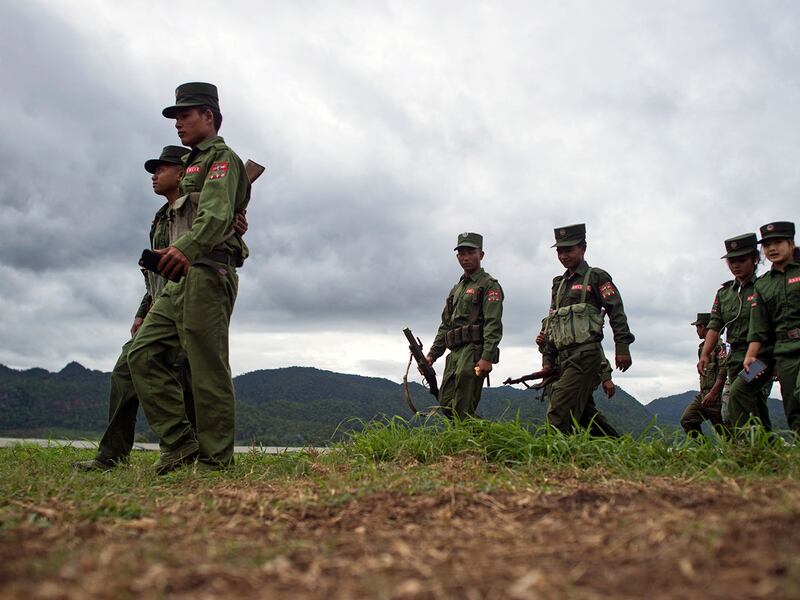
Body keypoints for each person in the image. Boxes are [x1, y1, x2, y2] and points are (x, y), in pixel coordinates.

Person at [128, 82, 251, 472]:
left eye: (185, 114)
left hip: (207, 270)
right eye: (175, 117)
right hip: (179, 277)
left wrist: (186, 248)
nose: (178, 123)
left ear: (208, 116)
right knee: (142, 353)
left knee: (207, 366)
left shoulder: (222, 159)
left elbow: (215, 217)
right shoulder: (193, 166)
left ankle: (215, 461)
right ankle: (180, 443)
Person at [539, 223, 634, 434]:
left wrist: (622, 348)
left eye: (569, 249)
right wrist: (547, 359)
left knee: (558, 409)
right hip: (563, 357)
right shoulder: (558, 284)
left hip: (585, 356)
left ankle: (553, 458)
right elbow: (552, 323)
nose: (563, 255)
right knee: (584, 414)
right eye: (559, 251)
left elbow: (616, 311)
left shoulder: (597, 277)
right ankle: (615, 448)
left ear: (583, 247)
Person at [699, 233, 773, 430]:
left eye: (742, 260)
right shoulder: (724, 294)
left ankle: (742, 445)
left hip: (761, 357)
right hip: (735, 357)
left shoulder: (764, 286)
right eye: (732, 261)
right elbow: (715, 325)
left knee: (739, 394)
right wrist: (705, 353)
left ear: (755, 259)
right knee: (754, 401)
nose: (736, 265)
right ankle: (767, 446)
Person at [425, 232, 503, 419]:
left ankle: (484, 443)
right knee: (446, 404)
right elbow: (446, 325)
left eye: (471, 252)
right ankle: (480, 438)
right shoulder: (456, 289)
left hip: (473, 352)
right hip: (455, 352)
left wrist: (487, 357)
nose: (466, 257)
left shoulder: (488, 285)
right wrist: (432, 355)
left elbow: (493, 323)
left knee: (463, 407)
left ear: (481, 255)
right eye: (461, 253)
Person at [744, 221, 800, 432]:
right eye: (767, 245)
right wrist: (751, 356)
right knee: (792, 405)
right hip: (782, 351)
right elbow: (758, 323)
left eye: (778, 242)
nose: (772, 249)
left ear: (791, 243)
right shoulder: (763, 284)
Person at [536, 322, 619, 436]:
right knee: (586, 414)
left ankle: (556, 445)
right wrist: (542, 344)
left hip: (580, 371)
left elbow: (594, 349)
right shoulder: (549, 321)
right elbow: (549, 352)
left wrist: (606, 377)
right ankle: (614, 441)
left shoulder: (580, 318)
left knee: (562, 411)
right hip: (559, 375)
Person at [680, 313, 727, 437]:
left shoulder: (720, 347)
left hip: (716, 397)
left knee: (726, 433)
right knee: (687, 420)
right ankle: (705, 450)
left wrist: (713, 393)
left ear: (703, 327)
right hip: (704, 395)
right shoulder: (702, 348)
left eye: (698, 327)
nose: (696, 331)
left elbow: (724, 371)